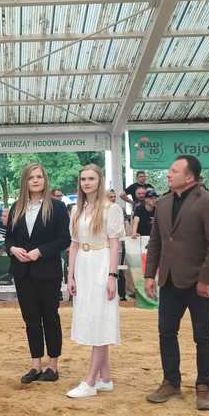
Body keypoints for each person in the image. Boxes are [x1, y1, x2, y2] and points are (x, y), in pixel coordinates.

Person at [144, 155, 209, 411]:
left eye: (174, 170)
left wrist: (206, 280)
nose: (168, 174)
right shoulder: (163, 202)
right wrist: (149, 275)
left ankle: (203, 387)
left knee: (203, 335)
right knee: (166, 333)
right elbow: (156, 241)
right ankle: (171, 382)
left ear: (189, 176)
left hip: (198, 283)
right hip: (169, 280)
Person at [4, 163, 70, 384]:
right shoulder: (16, 207)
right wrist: (13, 249)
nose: (35, 180)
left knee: (50, 317)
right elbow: (9, 238)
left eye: (39, 176)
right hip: (22, 272)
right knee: (31, 319)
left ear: (45, 180)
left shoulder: (57, 207)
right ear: (25, 181)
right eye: (31, 177)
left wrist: (40, 251)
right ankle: (35, 365)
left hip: (48, 272)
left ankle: (53, 365)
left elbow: (64, 239)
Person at [66, 164, 124, 398]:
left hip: (102, 264)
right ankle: (105, 378)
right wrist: (70, 275)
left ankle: (90, 381)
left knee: (101, 320)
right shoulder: (76, 210)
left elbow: (115, 245)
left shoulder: (112, 209)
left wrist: (112, 275)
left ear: (99, 181)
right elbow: (74, 244)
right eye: (83, 179)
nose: (86, 183)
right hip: (83, 266)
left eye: (91, 178)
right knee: (92, 319)